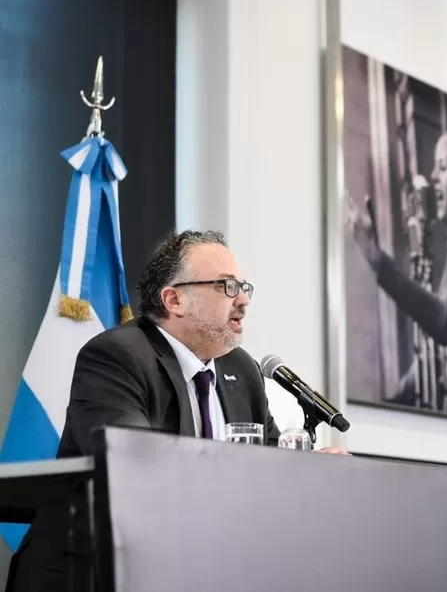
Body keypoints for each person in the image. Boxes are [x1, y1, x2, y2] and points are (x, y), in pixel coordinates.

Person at [6, 230, 344, 592]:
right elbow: (135, 463)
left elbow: (271, 465)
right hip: (90, 573)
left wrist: (312, 472)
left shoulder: (241, 370)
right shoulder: (117, 355)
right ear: (174, 299)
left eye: (244, 287)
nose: (243, 299)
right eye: (226, 286)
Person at [346, 131, 447, 418]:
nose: (433, 176)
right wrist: (388, 402)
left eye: (443, 167)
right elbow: (433, 355)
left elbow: (445, 323)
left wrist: (378, 261)